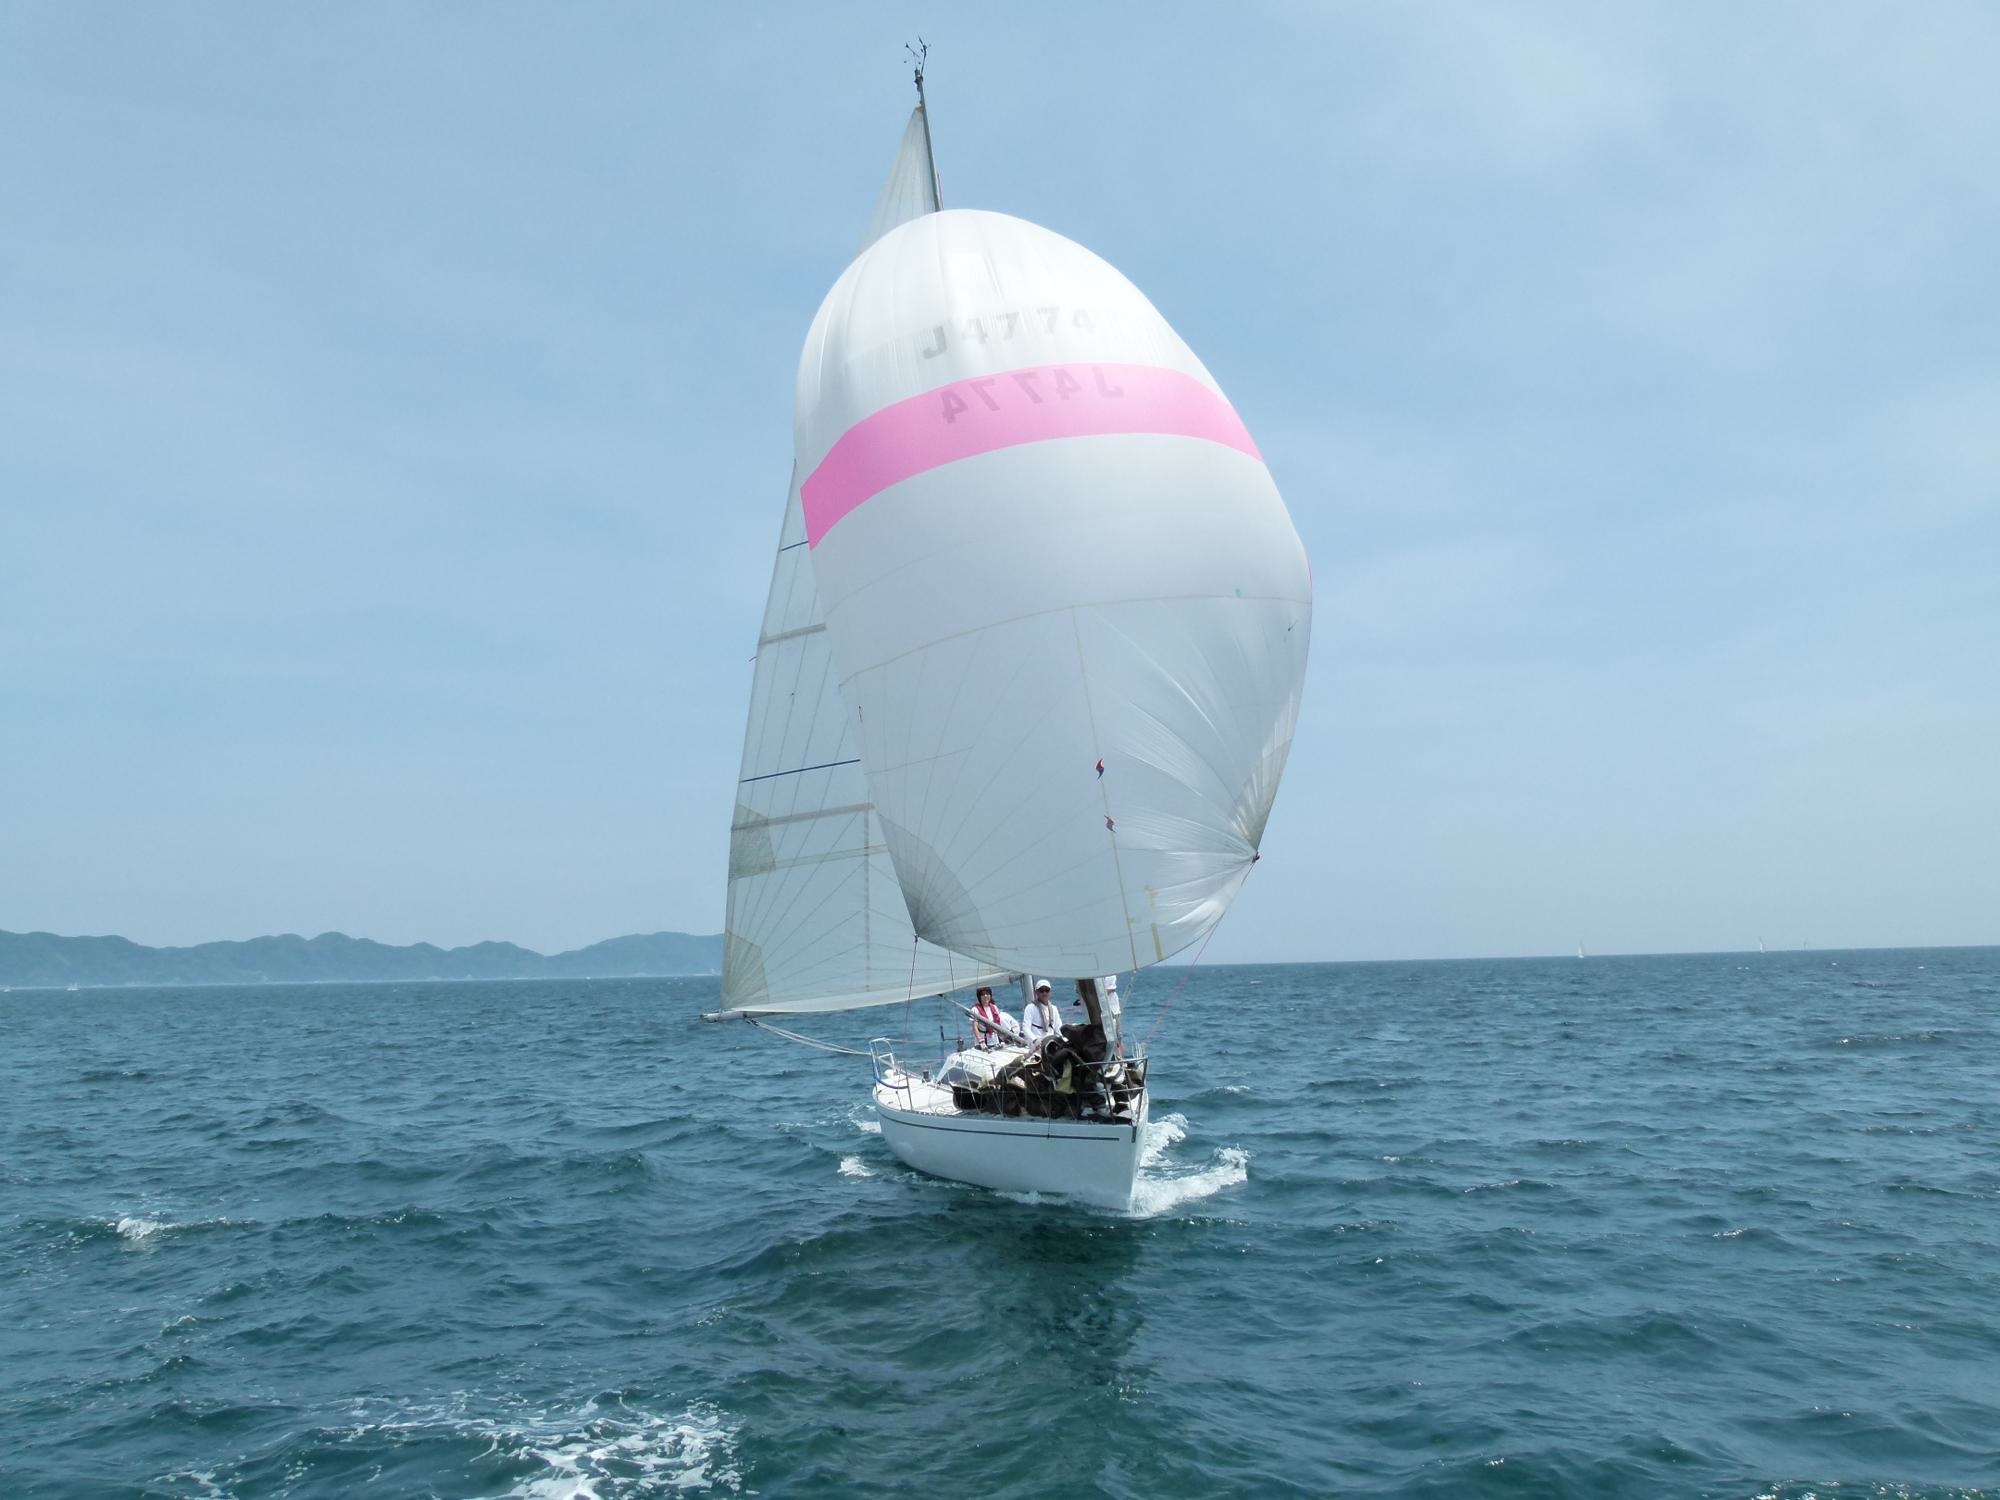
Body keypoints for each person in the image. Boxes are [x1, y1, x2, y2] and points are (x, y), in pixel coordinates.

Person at [1021, 979, 1062, 1048]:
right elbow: (1026, 1028)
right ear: (1037, 992)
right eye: (1041, 990)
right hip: (1036, 1043)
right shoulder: (1030, 1008)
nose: (1044, 993)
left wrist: (1062, 1038)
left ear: (1050, 992)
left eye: (1047, 990)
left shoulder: (1054, 1008)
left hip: (1050, 1042)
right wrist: (1035, 1040)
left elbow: (1058, 1027)